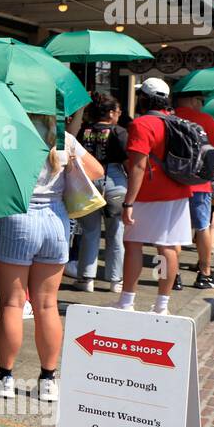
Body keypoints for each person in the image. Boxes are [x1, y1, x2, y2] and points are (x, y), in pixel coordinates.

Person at [0, 113, 102, 402]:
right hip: (56, 219)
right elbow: (95, 170)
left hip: (16, 216)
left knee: (12, 302)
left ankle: (5, 377)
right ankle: (48, 380)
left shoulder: (8, 133)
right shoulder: (63, 138)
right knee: (47, 304)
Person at [118, 78, 191, 316]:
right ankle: (161, 306)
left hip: (149, 193)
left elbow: (138, 166)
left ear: (144, 99)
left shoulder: (142, 124)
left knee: (133, 244)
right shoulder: (179, 122)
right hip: (179, 191)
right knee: (167, 248)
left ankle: (127, 302)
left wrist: (128, 201)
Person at [173, 90, 214, 291]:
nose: (203, 104)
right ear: (192, 100)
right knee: (202, 227)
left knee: (173, 230)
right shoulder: (204, 119)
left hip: (172, 182)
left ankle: (173, 276)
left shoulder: (169, 117)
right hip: (199, 183)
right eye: (201, 100)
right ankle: (204, 274)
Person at [74, 92, 129, 293]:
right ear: (111, 113)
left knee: (90, 232)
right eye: (118, 111)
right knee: (116, 233)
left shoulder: (83, 131)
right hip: (114, 179)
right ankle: (116, 281)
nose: (120, 114)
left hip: (87, 181)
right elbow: (128, 161)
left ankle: (86, 278)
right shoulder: (119, 132)